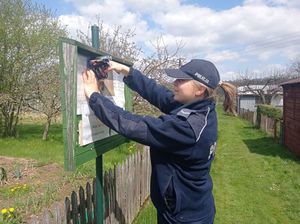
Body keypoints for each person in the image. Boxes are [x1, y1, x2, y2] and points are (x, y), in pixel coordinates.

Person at [82, 59, 236, 224]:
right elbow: (158, 93)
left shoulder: (188, 128)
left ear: (199, 89)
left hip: (183, 217)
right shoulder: (199, 107)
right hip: (187, 207)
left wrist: (94, 95)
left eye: (181, 80)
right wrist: (126, 71)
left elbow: (133, 125)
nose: (174, 83)